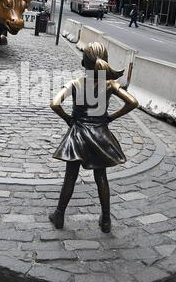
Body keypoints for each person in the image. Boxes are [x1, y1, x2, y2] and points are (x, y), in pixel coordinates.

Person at [49, 42, 139, 233]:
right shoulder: (110, 84)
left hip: (78, 134)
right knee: (101, 177)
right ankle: (106, 220)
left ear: (84, 62)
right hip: (100, 134)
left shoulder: (75, 84)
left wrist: (68, 120)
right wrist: (110, 117)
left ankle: (59, 215)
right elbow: (133, 102)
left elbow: (55, 104)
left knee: (70, 178)